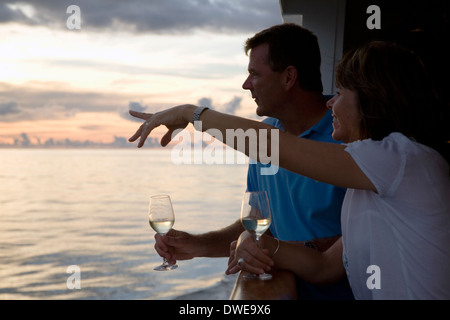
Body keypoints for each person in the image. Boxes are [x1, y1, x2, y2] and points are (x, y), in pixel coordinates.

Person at [128, 41, 450, 299]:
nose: (330, 103)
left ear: (371, 100)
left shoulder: (401, 158)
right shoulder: (366, 182)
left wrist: (191, 114)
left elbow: (273, 146)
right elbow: (324, 266)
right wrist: (253, 243)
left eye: (341, 93)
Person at [135, 24, 353, 299]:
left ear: (288, 78)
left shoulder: (348, 137)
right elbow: (256, 224)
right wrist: (198, 244)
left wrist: (262, 247)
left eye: (254, 74)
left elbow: (363, 234)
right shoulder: (267, 131)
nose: (245, 84)